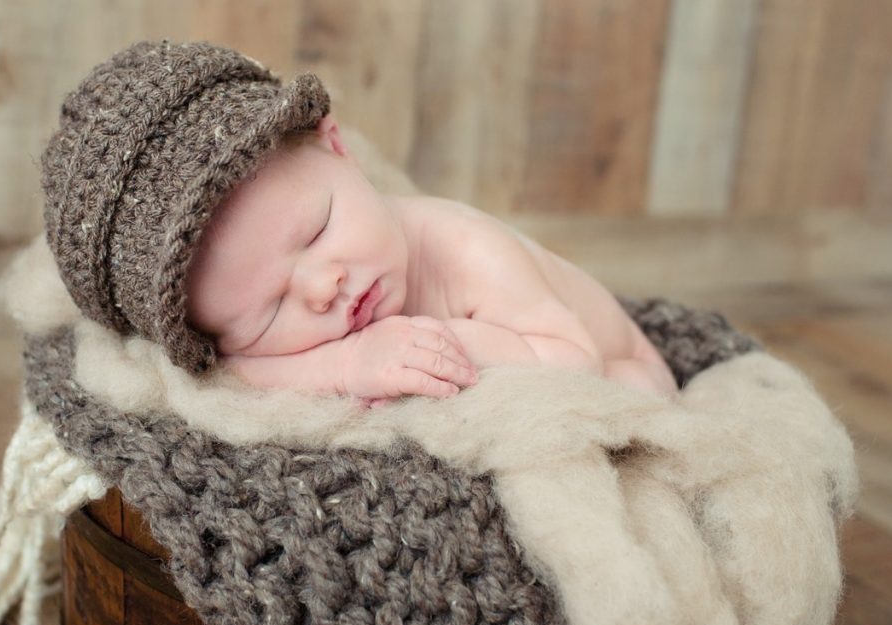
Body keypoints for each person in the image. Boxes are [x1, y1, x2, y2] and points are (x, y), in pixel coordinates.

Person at [184, 114, 679, 407]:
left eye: (317, 232)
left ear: (339, 148)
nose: (322, 288)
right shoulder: (254, 335)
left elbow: (579, 361)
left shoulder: (470, 251)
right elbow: (234, 373)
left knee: (632, 395)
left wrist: (444, 344)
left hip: (614, 359)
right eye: (270, 310)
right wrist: (346, 363)